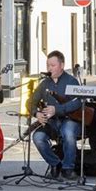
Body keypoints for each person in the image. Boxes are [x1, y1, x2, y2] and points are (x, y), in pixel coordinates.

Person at [31, 50, 80, 180]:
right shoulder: (45, 83)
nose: (49, 68)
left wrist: (56, 110)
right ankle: (55, 164)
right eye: (48, 65)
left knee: (68, 133)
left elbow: (78, 103)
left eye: (53, 65)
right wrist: (36, 113)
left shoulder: (72, 81)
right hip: (51, 122)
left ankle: (68, 168)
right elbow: (31, 102)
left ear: (62, 65)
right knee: (38, 137)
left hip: (70, 119)